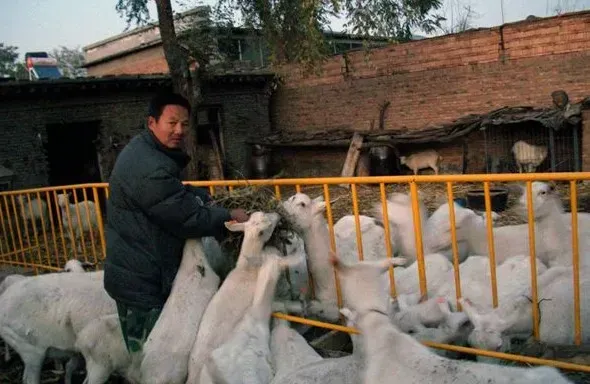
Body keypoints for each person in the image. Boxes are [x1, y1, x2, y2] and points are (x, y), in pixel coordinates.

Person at [103, 92, 249, 355]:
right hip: (143, 282)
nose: (179, 130)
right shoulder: (151, 168)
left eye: (184, 124)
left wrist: (205, 197)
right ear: (152, 122)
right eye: (171, 123)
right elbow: (187, 218)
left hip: (135, 270)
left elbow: (173, 193)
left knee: (148, 357)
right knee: (153, 360)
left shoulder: (146, 151)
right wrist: (227, 215)